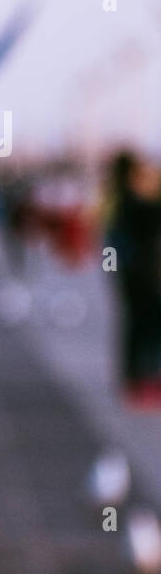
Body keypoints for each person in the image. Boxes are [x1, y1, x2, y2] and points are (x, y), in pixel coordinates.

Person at [103, 151, 161, 407]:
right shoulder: (132, 202)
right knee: (143, 325)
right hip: (140, 274)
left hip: (132, 273)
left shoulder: (118, 198)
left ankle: (134, 382)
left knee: (135, 324)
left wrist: (114, 271)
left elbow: (109, 241)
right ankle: (140, 382)